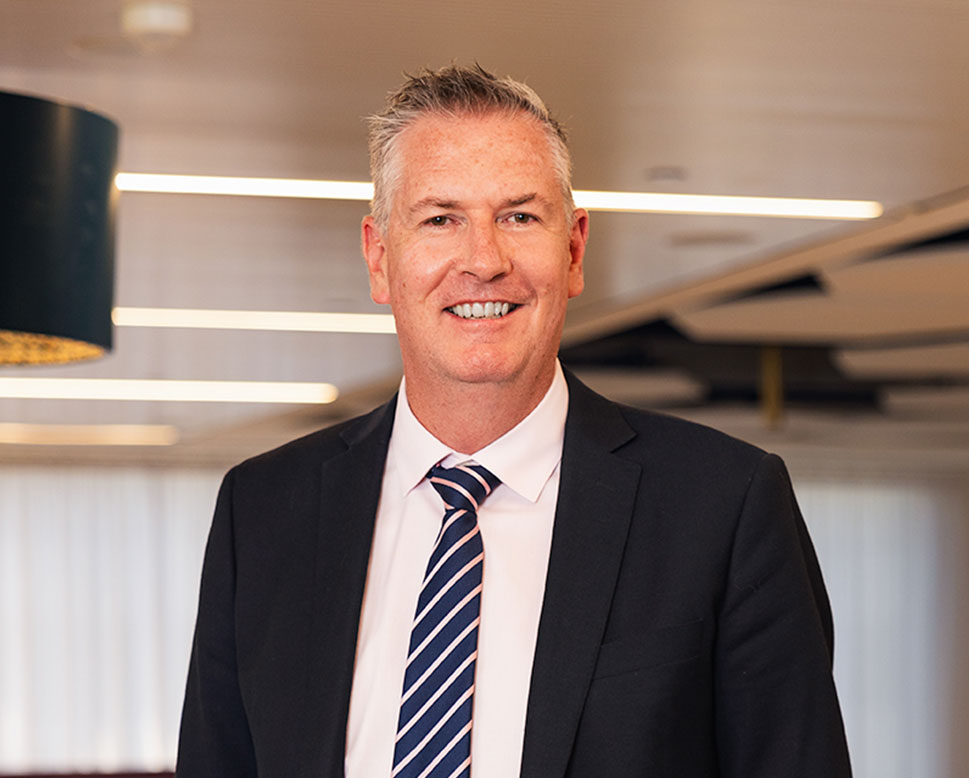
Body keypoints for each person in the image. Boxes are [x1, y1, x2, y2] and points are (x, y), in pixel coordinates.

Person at [176, 64, 852, 778]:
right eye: (440, 219)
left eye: (519, 216)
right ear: (379, 258)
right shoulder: (264, 513)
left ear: (573, 248)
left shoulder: (723, 507)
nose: (483, 261)